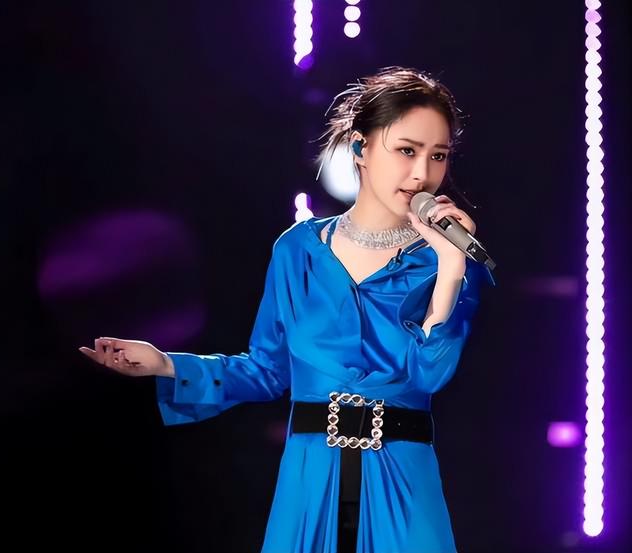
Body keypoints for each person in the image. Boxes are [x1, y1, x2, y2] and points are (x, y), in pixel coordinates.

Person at [79, 66, 495, 553]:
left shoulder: (447, 265)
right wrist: (167, 364)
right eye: (406, 150)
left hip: (403, 478)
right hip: (310, 475)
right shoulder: (298, 250)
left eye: (437, 155)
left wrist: (451, 266)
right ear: (360, 148)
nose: (422, 173)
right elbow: (267, 370)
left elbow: (430, 374)